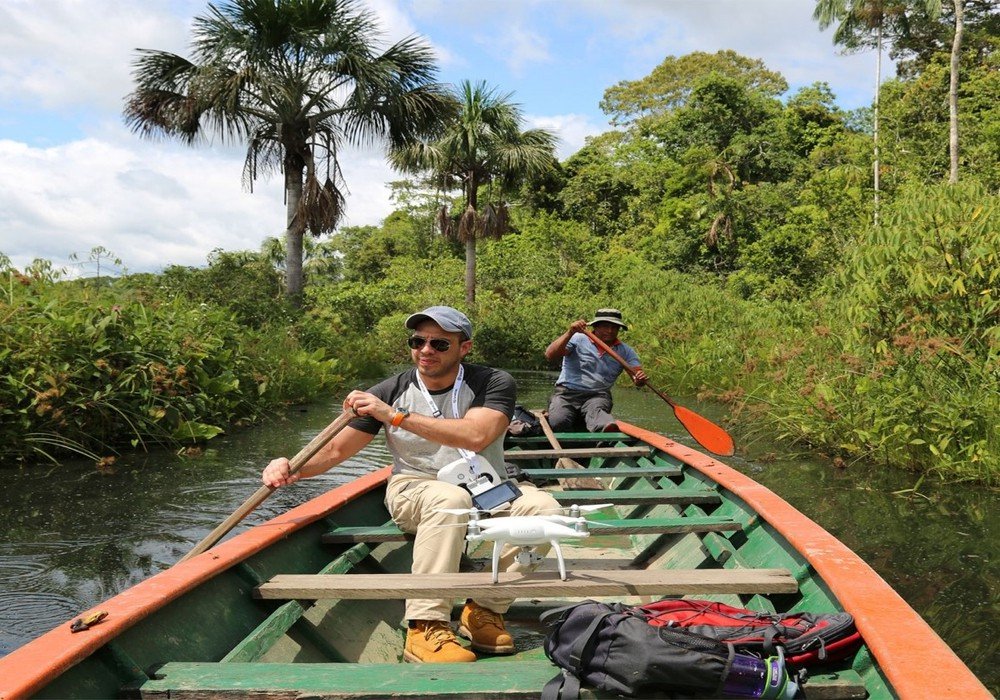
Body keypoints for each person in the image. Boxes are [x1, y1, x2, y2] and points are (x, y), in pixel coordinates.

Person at [262, 305, 560, 664]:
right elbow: (336, 450)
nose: (426, 350)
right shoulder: (390, 389)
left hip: (486, 487)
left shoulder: (492, 382)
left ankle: (482, 608)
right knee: (449, 499)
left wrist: (394, 416)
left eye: (439, 344)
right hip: (415, 488)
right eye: (418, 341)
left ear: (464, 348)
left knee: (547, 512)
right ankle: (425, 624)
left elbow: (477, 435)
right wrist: (291, 466)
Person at [544, 308, 648, 433]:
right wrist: (569, 332)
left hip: (598, 395)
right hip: (567, 393)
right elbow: (550, 354)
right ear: (596, 326)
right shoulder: (577, 338)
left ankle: (604, 434)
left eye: (614, 328)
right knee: (558, 422)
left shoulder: (626, 351)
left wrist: (640, 379)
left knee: (602, 420)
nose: (610, 331)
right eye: (605, 326)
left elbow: (637, 379)